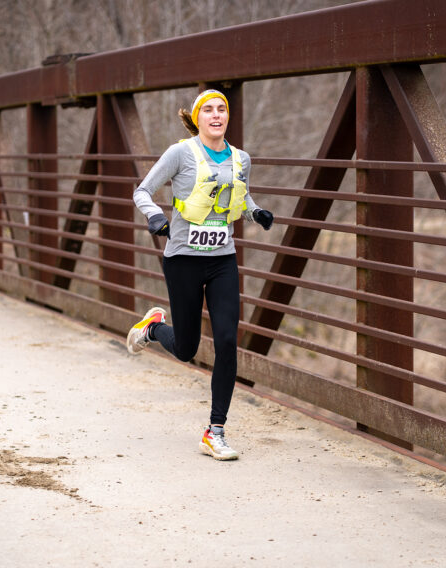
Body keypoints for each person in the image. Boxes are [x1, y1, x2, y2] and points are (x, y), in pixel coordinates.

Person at [126, 89, 274, 461]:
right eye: (208, 110)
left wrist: (256, 213)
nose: (216, 115)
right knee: (187, 349)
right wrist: (155, 217)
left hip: (223, 260)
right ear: (197, 118)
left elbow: (239, 197)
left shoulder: (241, 158)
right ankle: (153, 329)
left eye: (222, 109)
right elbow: (142, 191)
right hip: (183, 260)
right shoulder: (181, 154)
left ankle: (215, 431)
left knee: (226, 341)